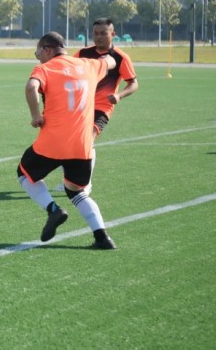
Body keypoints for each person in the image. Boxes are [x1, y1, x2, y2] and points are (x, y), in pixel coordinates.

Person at [17, 31, 118, 249]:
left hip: (52, 143)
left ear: (47, 50)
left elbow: (31, 87)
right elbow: (111, 61)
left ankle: (53, 210)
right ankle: (102, 238)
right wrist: (107, 54)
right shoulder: (89, 65)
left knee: (24, 173)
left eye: (37, 52)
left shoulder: (45, 69)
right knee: (75, 191)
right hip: (82, 145)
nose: (37, 57)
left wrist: (36, 116)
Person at [52, 17, 139, 193]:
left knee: (86, 140)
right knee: (65, 142)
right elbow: (68, 70)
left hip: (101, 108)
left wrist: (119, 95)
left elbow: (133, 83)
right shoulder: (83, 53)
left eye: (103, 33)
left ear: (113, 34)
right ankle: (70, 181)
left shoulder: (120, 58)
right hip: (80, 107)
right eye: (95, 33)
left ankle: (85, 184)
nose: (98, 37)